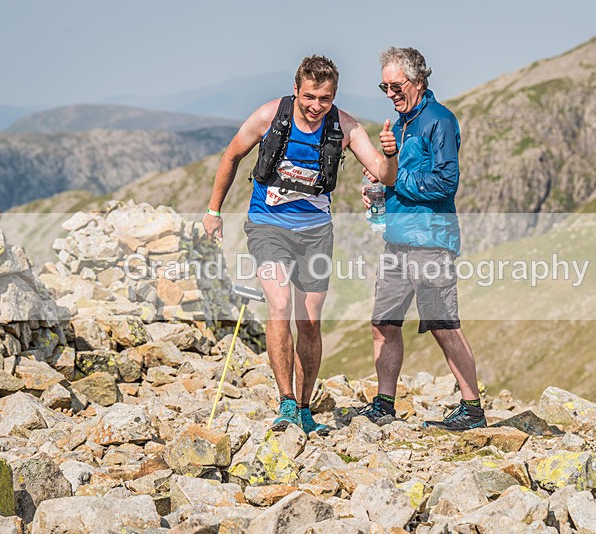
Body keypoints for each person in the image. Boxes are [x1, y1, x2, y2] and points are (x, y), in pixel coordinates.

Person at [202, 55, 397, 435]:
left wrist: (389, 153)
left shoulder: (345, 126)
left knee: (309, 322)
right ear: (296, 90)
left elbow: (384, 175)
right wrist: (214, 210)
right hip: (267, 226)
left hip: (315, 234)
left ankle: (306, 408)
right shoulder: (268, 116)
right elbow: (231, 155)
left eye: (324, 99)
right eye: (309, 96)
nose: (315, 106)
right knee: (279, 304)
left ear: (333, 96)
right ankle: (286, 402)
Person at [358, 47, 486, 431]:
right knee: (384, 323)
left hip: (431, 237)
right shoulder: (398, 125)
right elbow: (392, 174)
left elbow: (447, 182)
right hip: (397, 238)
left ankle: (473, 409)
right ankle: (383, 404)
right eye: (384, 86)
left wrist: (396, 181)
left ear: (418, 80)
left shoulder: (440, 121)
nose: (390, 93)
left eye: (396, 85)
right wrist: (375, 185)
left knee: (443, 323)